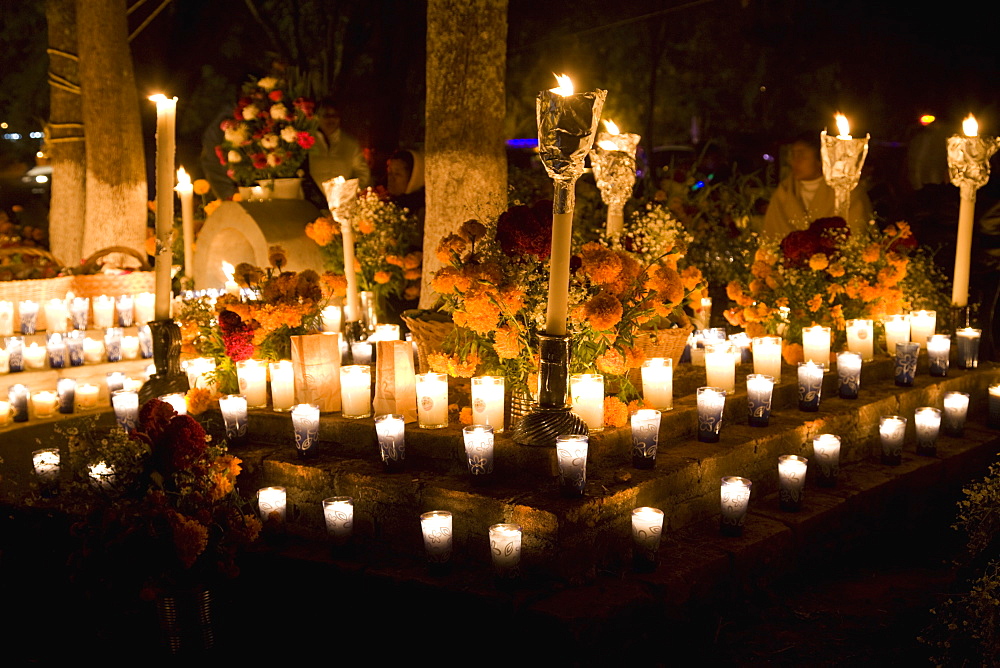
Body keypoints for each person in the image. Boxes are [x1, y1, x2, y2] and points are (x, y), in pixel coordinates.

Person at [762, 133, 871, 239]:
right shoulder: (784, 193)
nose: (794, 162)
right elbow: (772, 234)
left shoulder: (847, 191)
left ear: (821, 159)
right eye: (793, 155)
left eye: (801, 155)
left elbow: (857, 230)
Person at [307, 99, 371, 193]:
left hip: (342, 201)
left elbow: (362, 172)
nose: (331, 119)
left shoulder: (351, 144)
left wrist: (350, 192)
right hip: (311, 201)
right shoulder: (307, 141)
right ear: (317, 117)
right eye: (326, 116)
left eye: (334, 116)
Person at [385, 149, 425, 218]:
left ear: (413, 176)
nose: (391, 178)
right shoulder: (387, 205)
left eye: (397, 174)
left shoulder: (420, 213)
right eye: (390, 172)